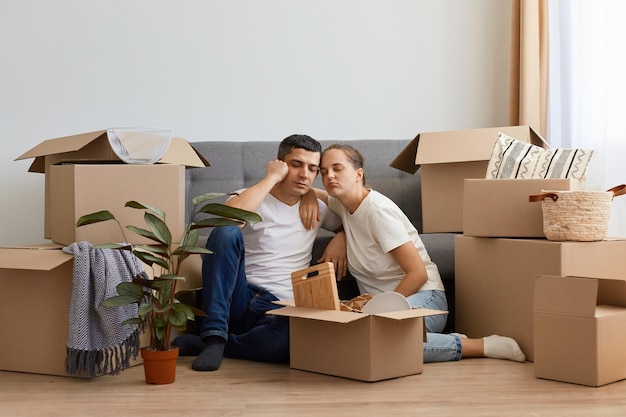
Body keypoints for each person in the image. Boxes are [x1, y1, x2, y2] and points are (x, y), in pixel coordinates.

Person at [310, 143, 526, 363]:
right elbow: (309, 192)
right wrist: (341, 234)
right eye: (324, 171)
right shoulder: (343, 204)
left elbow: (418, 273)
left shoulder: (378, 212)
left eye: (337, 168)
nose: (330, 176)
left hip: (424, 297)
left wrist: (380, 308)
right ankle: (434, 340)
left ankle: (480, 346)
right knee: (356, 340)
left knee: (380, 340)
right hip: (381, 311)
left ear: (358, 174)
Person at [173, 134, 344, 371]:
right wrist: (270, 178)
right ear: (280, 164)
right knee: (226, 233)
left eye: (312, 168)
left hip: (278, 308)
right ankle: (213, 337)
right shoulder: (251, 196)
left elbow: (357, 212)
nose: (305, 174)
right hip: (237, 299)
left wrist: (341, 237)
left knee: (290, 342)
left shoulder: (318, 208)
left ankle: (218, 345)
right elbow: (226, 221)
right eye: (296, 165)